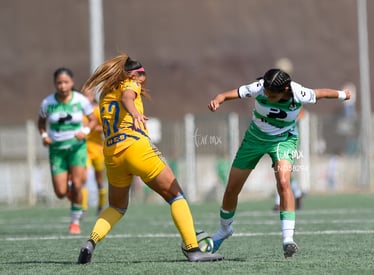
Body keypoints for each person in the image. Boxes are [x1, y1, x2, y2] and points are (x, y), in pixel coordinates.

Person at [77, 53, 224, 264]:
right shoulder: (130, 83)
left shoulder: (105, 92)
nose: (144, 77)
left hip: (111, 154)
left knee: (116, 207)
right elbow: (128, 96)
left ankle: (90, 242)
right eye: (142, 73)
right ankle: (193, 249)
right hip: (135, 148)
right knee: (176, 196)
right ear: (132, 74)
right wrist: (135, 112)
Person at [208, 68, 351, 258]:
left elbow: (321, 93)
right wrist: (219, 98)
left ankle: (288, 239)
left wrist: (343, 94)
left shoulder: (299, 93)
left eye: (271, 94)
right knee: (232, 188)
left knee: (284, 182)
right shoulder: (260, 87)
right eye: (265, 91)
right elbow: (233, 93)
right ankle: (224, 229)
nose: (266, 95)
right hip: (254, 139)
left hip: (283, 140)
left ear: (285, 89)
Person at [38, 67, 97, 235]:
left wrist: (84, 132)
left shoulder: (81, 101)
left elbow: (92, 121)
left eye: (66, 82)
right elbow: (41, 123)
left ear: (71, 83)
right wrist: (44, 135)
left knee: (79, 184)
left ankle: (75, 222)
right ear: (55, 84)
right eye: (59, 83)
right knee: (60, 192)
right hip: (57, 150)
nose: (62, 86)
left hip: (77, 148)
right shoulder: (47, 103)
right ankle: (70, 189)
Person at [81, 88, 107, 216]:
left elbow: (105, 127)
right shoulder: (78, 111)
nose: (87, 98)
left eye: (89, 95)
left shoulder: (96, 110)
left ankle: (101, 206)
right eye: (84, 95)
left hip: (97, 149)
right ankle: (84, 208)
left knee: (99, 180)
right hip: (83, 149)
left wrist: (93, 128)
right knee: (84, 178)